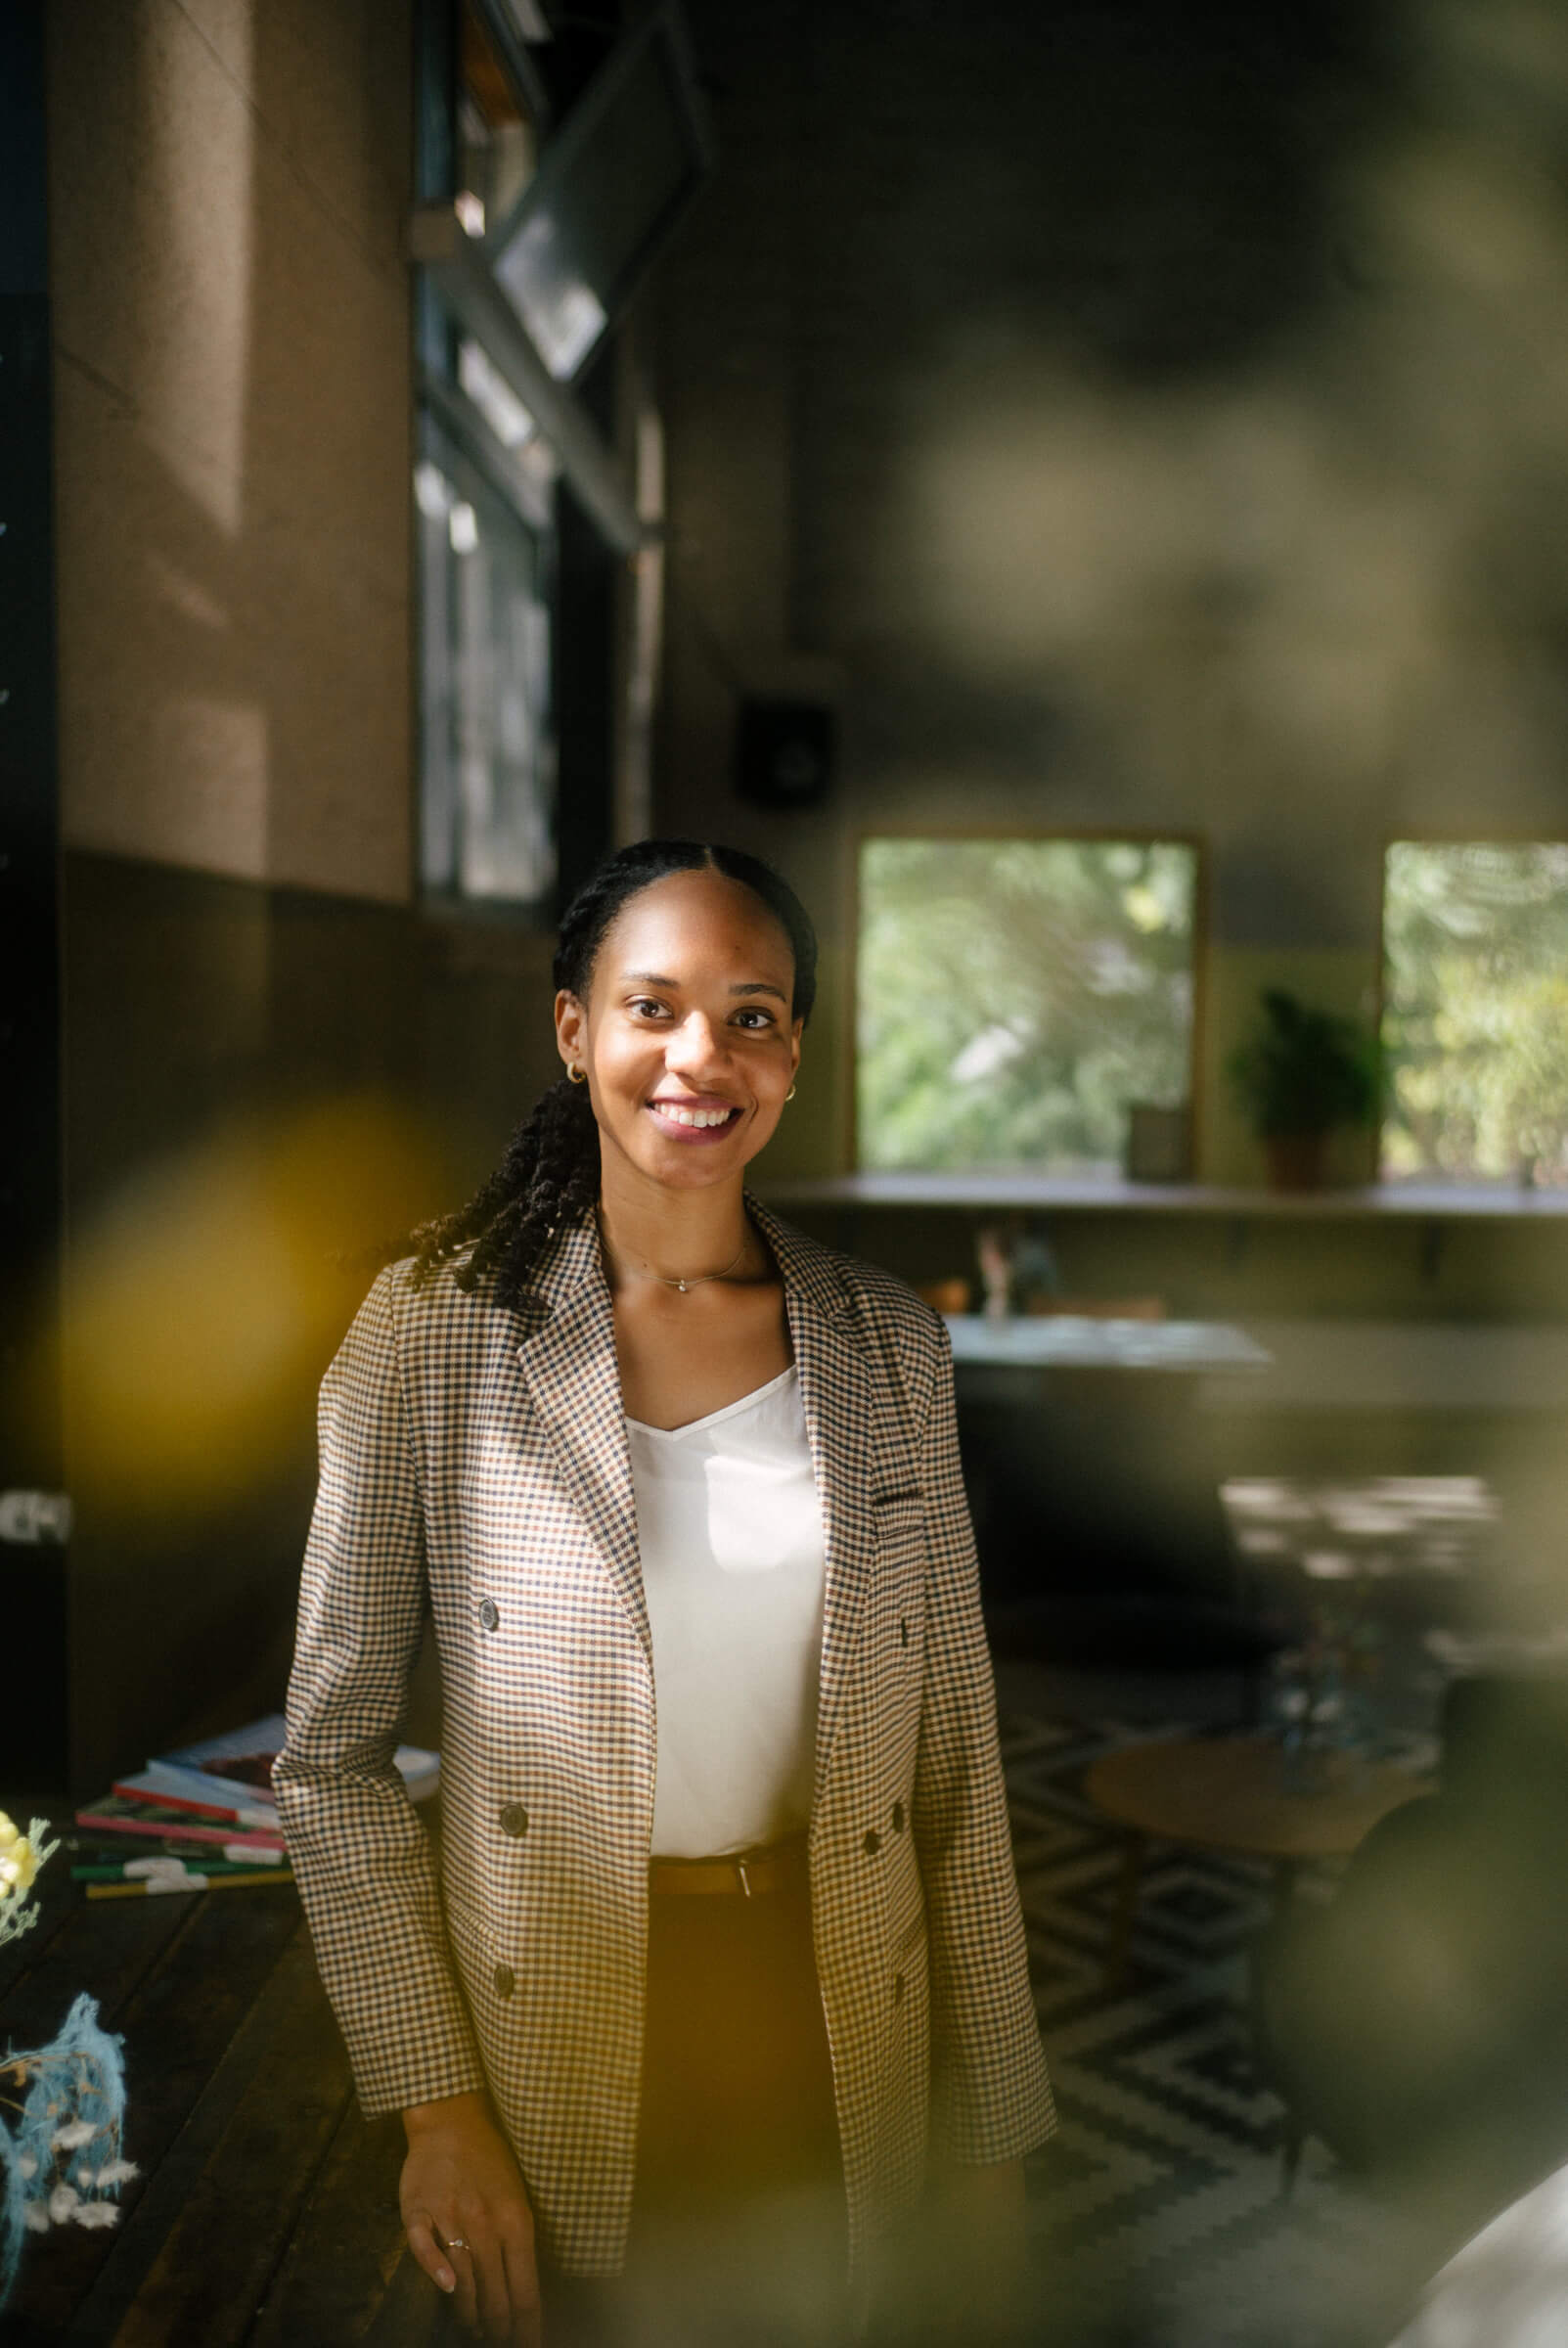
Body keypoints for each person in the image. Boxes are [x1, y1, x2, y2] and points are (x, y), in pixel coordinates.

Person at [274, 838, 1054, 2345]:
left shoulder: (890, 1344)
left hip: (835, 2007)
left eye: (751, 1016)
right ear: (575, 1032)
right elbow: (330, 1762)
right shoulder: (430, 1333)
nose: (702, 1056)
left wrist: (996, 2139)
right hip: (547, 2028)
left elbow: (954, 1766)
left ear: (795, 1055)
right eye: (654, 1007)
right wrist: (436, 2106)